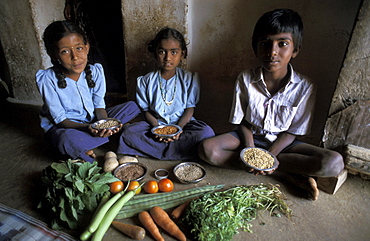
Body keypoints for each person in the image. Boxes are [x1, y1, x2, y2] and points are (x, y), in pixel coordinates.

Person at [197, 9, 344, 200]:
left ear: (295, 50)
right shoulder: (246, 78)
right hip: (249, 138)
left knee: (333, 163)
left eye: (282, 44)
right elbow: (242, 122)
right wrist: (250, 151)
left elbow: (292, 132)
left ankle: (274, 168)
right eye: (265, 44)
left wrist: (270, 157)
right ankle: (287, 176)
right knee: (207, 149)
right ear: (256, 48)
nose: (272, 52)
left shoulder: (305, 87)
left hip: (284, 144)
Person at [36, 20, 140, 163]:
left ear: (87, 47)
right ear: (54, 55)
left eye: (79, 48)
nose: (75, 57)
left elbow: (99, 105)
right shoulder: (47, 79)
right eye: (65, 51)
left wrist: (105, 123)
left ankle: (97, 140)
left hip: (92, 121)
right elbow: (60, 120)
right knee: (65, 141)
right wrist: (89, 128)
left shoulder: (95, 71)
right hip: (67, 127)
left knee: (132, 107)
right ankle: (103, 141)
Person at [117, 27, 215, 160]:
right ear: (155, 54)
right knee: (128, 133)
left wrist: (178, 129)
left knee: (206, 133)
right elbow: (147, 111)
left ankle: (154, 151)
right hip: (155, 125)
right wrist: (157, 128)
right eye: (162, 52)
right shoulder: (146, 81)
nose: (168, 58)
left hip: (183, 125)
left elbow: (190, 109)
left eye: (174, 52)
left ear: (183, 54)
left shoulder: (189, 78)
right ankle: (180, 152)